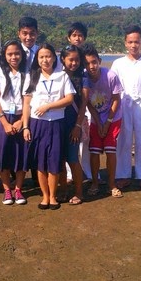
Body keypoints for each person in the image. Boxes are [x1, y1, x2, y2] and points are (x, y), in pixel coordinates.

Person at [22, 44, 75, 210]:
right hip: (37, 124)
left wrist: (48, 106)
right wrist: (25, 127)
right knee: (41, 162)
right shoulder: (32, 76)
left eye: (48, 56)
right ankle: (45, 196)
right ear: (37, 60)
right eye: (41, 57)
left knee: (55, 160)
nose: (45, 60)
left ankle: (53, 196)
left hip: (57, 123)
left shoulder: (62, 76)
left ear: (54, 58)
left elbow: (69, 99)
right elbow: (26, 104)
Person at [111, 25, 141, 193]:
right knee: (123, 140)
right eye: (130, 42)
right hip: (123, 104)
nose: (133, 45)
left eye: (136, 42)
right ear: (125, 43)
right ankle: (123, 175)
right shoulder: (118, 63)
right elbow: (113, 87)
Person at [0, 40, 29, 206]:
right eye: (10, 54)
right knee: (3, 154)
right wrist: (4, 123)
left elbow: (28, 102)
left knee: (21, 155)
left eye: (17, 53)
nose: (14, 57)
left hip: (22, 118)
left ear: (22, 55)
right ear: (4, 56)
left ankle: (18, 189)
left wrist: (22, 121)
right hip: (3, 119)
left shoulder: (28, 75)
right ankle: (7, 190)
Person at [82, 43, 123, 197]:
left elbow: (116, 99)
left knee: (111, 151)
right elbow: (87, 102)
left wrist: (107, 122)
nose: (91, 66)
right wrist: (98, 122)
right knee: (94, 151)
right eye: (87, 63)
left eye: (94, 62)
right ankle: (95, 182)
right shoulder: (84, 78)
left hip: (113, 117)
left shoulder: (110, 76)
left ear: (99, 61)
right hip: (96, 117)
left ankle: (112, 184)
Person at [58, 45, 88, 204]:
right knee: (60, 159)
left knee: (73, 158)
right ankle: (63, 189)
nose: (74, 63)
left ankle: (79, 192)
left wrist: (77, 127)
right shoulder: (57, 75)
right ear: (63, 59)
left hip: (74, 123)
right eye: (70, 59)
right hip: (58, 123)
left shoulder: (83, 78)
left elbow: (83, 105)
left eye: (77, 60)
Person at [66, 21, 93, 182]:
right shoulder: (65, 58)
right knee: (70, 139)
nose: (77, 38)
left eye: (80, 35)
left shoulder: (86, 58)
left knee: (85, 140)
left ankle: (87, 171)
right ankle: (70, 173)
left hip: (85, 104)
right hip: (68, 106)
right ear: (68, 37)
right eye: (74, 35)